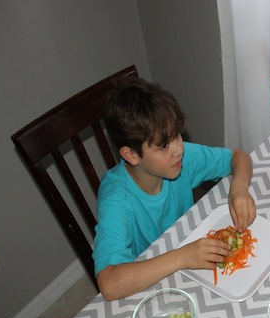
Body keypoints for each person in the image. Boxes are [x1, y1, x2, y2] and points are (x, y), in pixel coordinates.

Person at [93, 77, 256, 301]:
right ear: (131, 155)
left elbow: (239, 157)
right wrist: (182, 257)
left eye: (176, 135)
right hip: (153, 285)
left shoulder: (179, 159)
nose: (178, 149)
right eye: (163, 145)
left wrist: (238, 189)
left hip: (190, 261)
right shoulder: (116, 198)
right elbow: (109, 284)